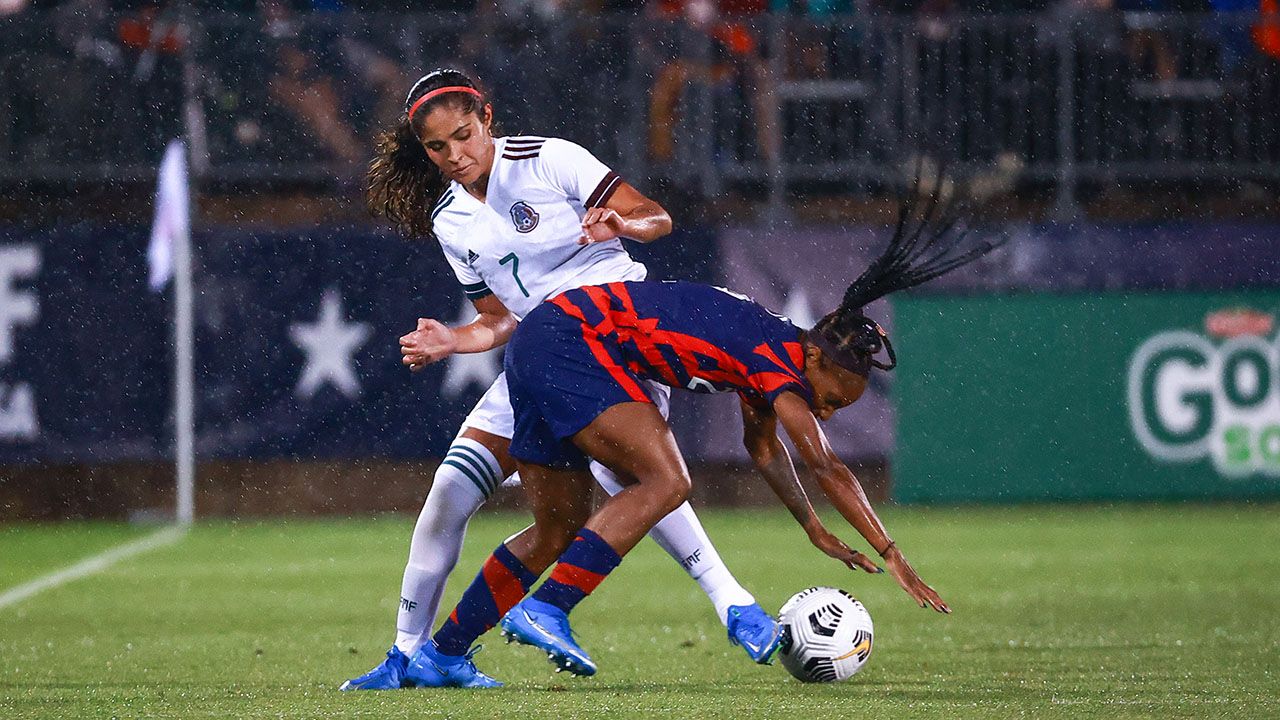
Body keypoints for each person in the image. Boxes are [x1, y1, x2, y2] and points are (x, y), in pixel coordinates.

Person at [409, 178, 998, 685]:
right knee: (666, 480)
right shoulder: (778, 362)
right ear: (814, 362)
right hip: (570, 342)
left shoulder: (769, 356)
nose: (830, 412)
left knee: (556, 530)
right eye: (834, 399)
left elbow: (763, 451)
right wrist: (893, 554)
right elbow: (827, 466)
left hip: (546, 343)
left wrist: (814, 528)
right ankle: (551, 607)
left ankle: (442, 654)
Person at [341, 68, 796, 690]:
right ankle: (409, 656)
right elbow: (498, 319)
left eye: (464, 136)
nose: (455, 155)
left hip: (613, 335)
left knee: (636, 477)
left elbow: (655, 217)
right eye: (438, 147)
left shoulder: (549, 159)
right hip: (538, 352)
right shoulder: (450, 221)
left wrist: (620, 225)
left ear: (489, 118)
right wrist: (454, 340)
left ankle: (732, 601)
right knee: (449, 498)